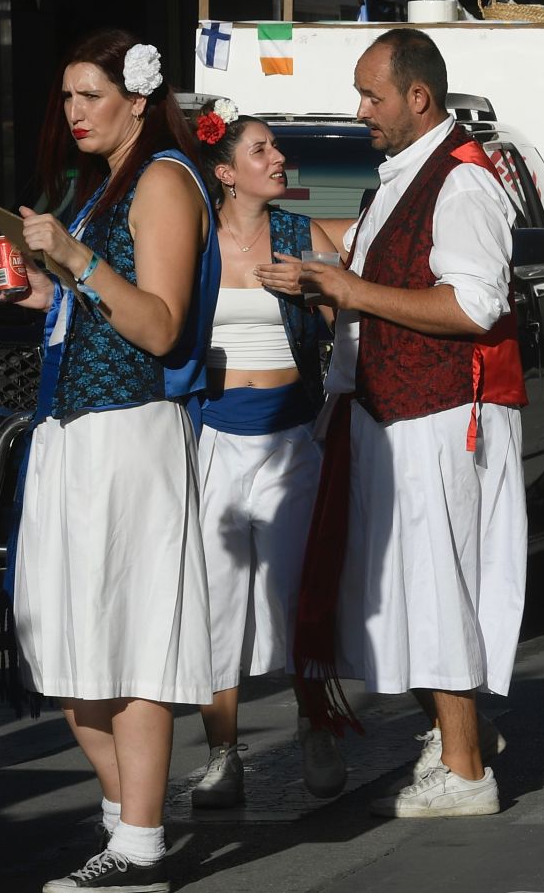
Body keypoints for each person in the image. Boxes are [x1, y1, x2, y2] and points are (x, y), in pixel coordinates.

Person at [293, 28, 526, 820]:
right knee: (409, 590)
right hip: (397, 410)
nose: (361, 110)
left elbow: (474, 304)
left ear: (417, 97)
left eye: (372, 95)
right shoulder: (403, 176)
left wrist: (351, 294)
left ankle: (466, 773)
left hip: (442, 413)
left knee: (438, 587)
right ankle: (462, 742)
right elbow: (368, 273)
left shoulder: (461, 183)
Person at [9, 30, 219, 890]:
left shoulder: (165, 178)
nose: (75, 113)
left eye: (90, 95)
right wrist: (44, 289)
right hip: (76, 428)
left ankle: (136, 845)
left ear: (138, 97)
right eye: (66, 98)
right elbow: (102, 304)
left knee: (126, 644)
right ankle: (129, 827)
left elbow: (162, 325)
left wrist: (74, 259)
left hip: (131, 432)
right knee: (69, 648)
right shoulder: (104, 186)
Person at [184, 100, 346, 808]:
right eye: (261, 150)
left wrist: (316, 291)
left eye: (276, 148)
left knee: (293, 596)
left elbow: (349, 318)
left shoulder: (297, 233)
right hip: (215, 436)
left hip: (290, 435)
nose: (278, 158)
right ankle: (222, 753)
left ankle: (316, 725)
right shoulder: (191, 241)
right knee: (215, 602)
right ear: (225, 172)